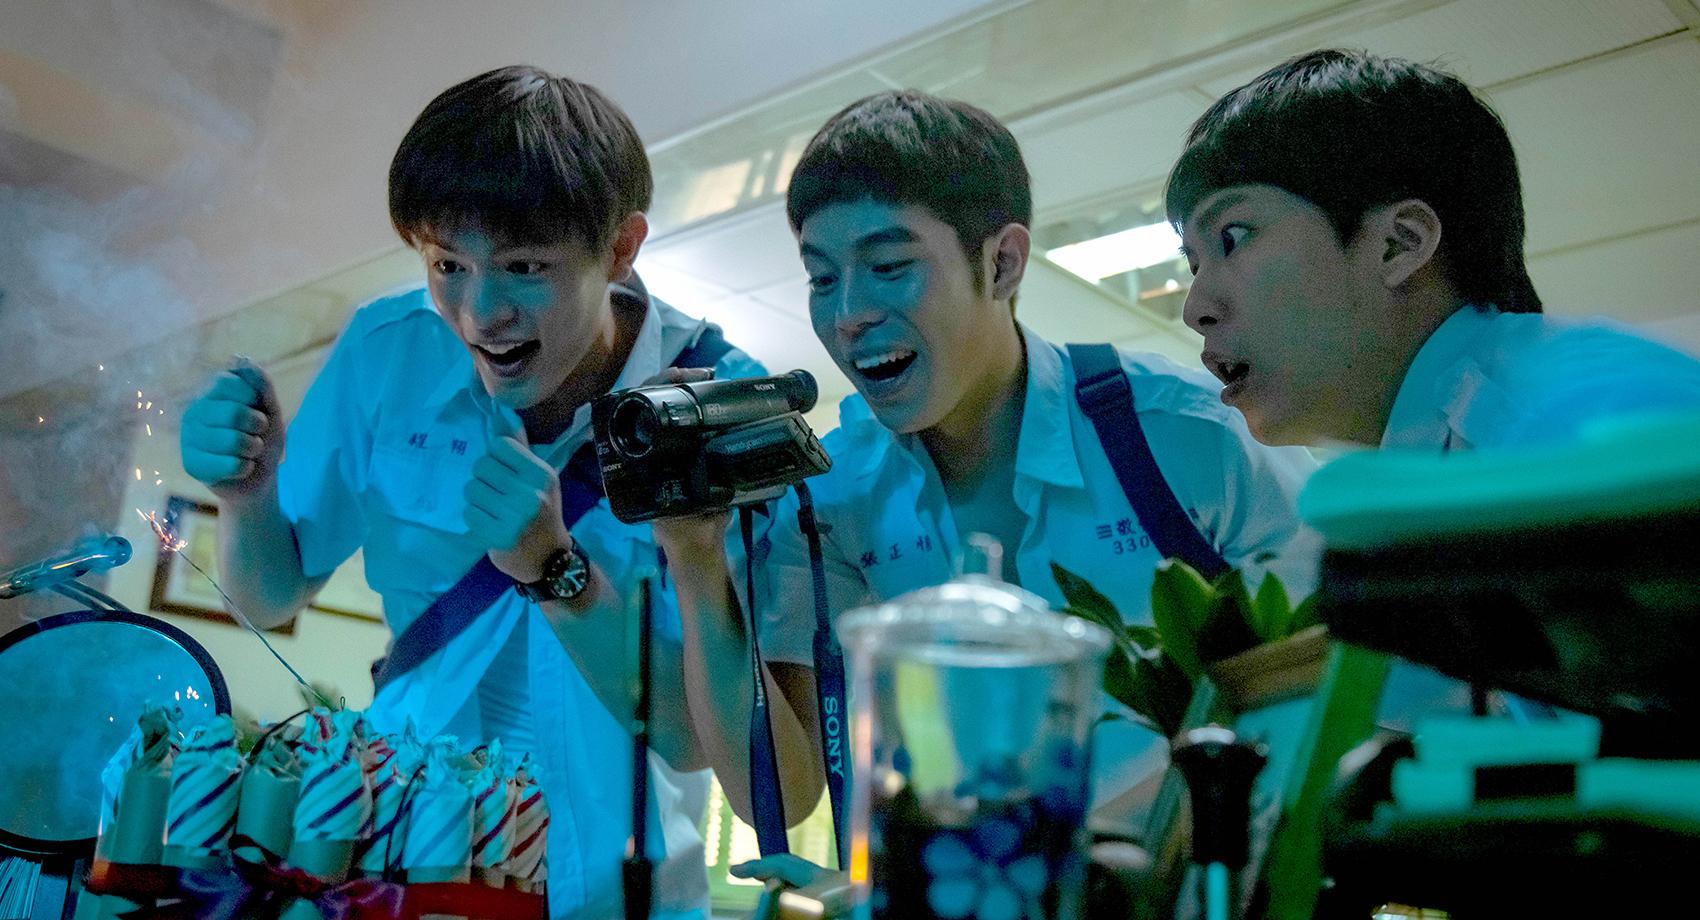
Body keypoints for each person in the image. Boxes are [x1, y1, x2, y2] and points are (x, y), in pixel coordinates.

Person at [653, 90, 1319, 863]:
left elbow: (1343, 687)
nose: (848, 314)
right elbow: (779, 791)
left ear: (1002, 262)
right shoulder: (836, 497)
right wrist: (694, 559)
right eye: (822, 278)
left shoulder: (1184, 435)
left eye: (889, 267)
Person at [179, 65, 763, 920]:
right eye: (448, 264)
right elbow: (269, 594)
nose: (479, 313)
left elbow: (695, 737)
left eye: (524, 267)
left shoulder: (720, 401)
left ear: (621, 248)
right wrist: (247, 492)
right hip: (389, 863)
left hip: (609, 892)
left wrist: (556, 570)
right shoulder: (388, 350)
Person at [1168, 48, 1700, 454]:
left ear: (1397, 246)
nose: (1195, 311)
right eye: (1194, 265)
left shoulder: (1579, 420)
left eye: (1233, 238)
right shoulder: (1439, 448)